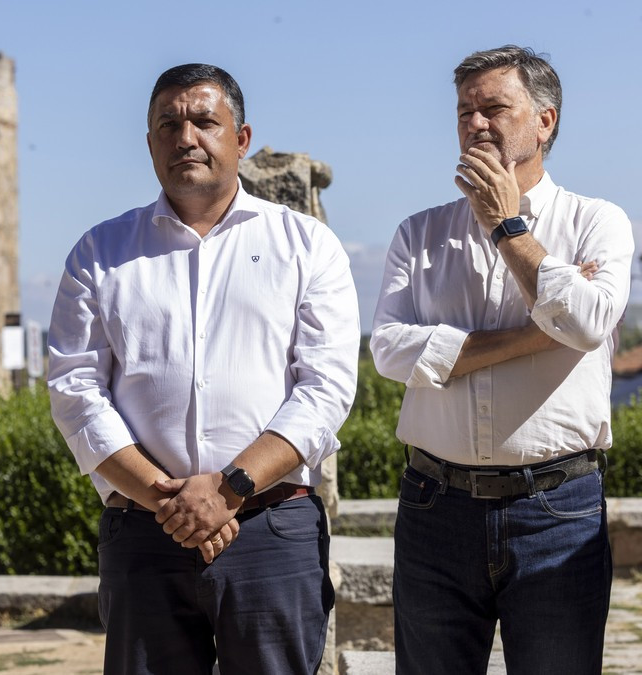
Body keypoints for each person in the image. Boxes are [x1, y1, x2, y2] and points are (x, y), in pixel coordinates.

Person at [47, 63, 359, 675]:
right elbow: (74, 389)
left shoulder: (306, 246)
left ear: (241, 139)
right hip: (144, 533)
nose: (185, 137)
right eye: (168, 125)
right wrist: (171, 501)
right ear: (150, 144)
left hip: (271, 530)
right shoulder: (99, 253)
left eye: (204, 122)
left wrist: (228, 489)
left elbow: (325, 390)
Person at [371, 45, 632, 675]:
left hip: (557, 510)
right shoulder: (419, 233)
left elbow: (587, 323)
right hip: (434, 507)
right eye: (465, 111)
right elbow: (388, 350)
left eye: (493, 108)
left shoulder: (598, 221)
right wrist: (538, 335)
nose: (475, 123)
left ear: (544, 121)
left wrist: (508, 227)